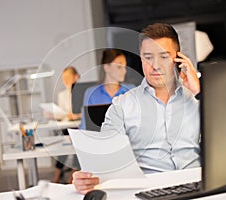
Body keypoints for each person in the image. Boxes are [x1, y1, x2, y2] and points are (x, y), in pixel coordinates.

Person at [72, 23, 201, 194]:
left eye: (164, 56)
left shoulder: (197, 98)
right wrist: (86, 178)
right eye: (148, 57)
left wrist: (199, 92)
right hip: (151, 191)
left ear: (178, 59)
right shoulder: (122, 106)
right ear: (141, 59)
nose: (155, 65)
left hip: (198, 187)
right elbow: (104, 160)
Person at [79, 48, 135, 130]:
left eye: (124, 67)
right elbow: (85, 126)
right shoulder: (91, 93)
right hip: (99, 139)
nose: (124, 71)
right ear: (106, 67)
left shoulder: (130, 90)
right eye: (119, 67)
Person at [49, 66, 81, 183]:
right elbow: (62, 113)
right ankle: (58, 174)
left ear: (76, 77)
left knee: (78, 144)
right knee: (65, 143)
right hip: (67, 126)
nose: (65, 81)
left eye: (68, 78)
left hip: (80, 126)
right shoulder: (62, 94)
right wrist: (54, 115)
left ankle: (73, 173)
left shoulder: (83, 91)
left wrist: (77, 115)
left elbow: (87, 111)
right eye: (64, 78)